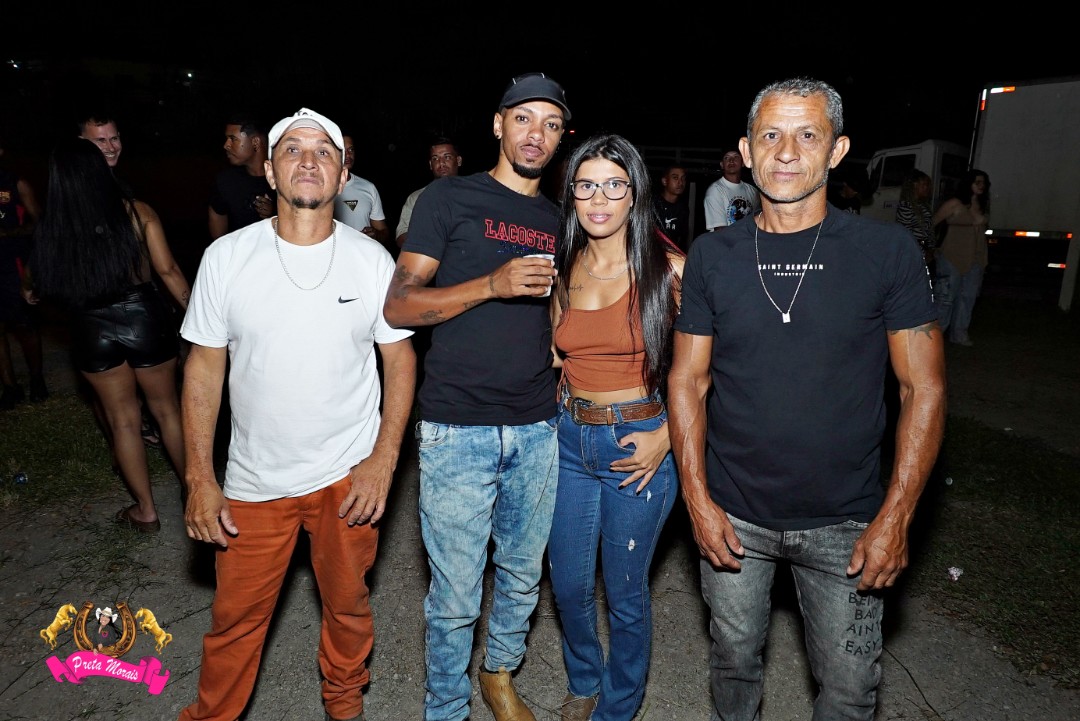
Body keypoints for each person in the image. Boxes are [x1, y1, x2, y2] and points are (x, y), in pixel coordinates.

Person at [667, 77, 946, 721]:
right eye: (770, 135)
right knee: (733, 664)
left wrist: (898, 515)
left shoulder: (886, 252)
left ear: (837, 150)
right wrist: (697, 500)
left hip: (847, 521)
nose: (787, 151)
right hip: (734, 514)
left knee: (849, 689)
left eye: (807, 135)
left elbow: (923, 386)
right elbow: (687, 380)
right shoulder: (713, 255)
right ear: (746, 149)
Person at [178, 107, 415, 721]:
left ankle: (344, 704)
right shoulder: (226, 257)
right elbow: (203, 368)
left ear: (343, 175)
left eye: (323, 152)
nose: (308, 161)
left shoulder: (372, 261)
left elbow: (400, 359)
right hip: (255, 481)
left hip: (347, 478)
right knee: (234, 621)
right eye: (293, 149)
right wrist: (199, 477)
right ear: (268, 169)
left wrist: (384, 459)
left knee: (348, 606)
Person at [383, 72, 569, 721]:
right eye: (524, 119)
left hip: (537, 425)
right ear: (498, 125)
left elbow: (562, 306)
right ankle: (446, 708)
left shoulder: (558, 218)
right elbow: (399, 305)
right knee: (457, 596)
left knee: (523, 575)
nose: (536, 134)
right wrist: (491, 284)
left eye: (550, 124)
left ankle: (499, 673)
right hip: (457, 426)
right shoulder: (449, 197)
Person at [549, 134, 683, 721]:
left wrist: (669, 435)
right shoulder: (564, 264)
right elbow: (558, 354)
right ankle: (585, 678)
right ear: (572, 195)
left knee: (625, 593)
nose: (599, 198)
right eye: (586, 186)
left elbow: (716, 369)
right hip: (569, 440)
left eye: (613, 185)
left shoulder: (671, 270)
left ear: (634, 194)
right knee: (568, 584)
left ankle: (618, 707)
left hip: (639, 442)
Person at [27, 137, 190, 532]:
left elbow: (34, 286)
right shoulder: (136, 212)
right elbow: (167, 271)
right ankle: (195, 491)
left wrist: (32, 290)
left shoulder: (52, 229)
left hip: (90, 327)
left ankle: (146, 511)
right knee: (167, 410)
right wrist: (197, 315)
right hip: (143, 318)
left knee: (122, 421)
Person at [0, 137, 47, 408]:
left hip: (14, 264)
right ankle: (10, 388)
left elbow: (40, 224)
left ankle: (37, 380)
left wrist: (9, 233)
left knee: (24, 325)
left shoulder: (16, 184)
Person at [931, 168, 990, 347]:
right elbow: (932, 223)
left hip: (975, 259)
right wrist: (932, 247)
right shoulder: (954, 204)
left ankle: (959, 334)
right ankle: (935, 338)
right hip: (952, 257)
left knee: (967, 298)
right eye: (977, 182)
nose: (981, 186)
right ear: (968, 183)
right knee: (945, 300)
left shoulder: (981, 205)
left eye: (983, 183)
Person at [208, 112, 275, 241]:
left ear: (255, 142)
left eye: (232, 139)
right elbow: (218, 240)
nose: (226, 145)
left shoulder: (284, 179)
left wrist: (276, 217)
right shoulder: (225, 182)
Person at [395, 136, 462, 248]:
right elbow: (401, 236)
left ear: (458, 161)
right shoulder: (417, 197)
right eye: (435, 158)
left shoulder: (473, 194)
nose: (441, 163)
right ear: (430, 164)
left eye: (447, 157)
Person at [333, 132, 390, 247]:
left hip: (365, 255)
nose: (348, 155)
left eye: (351, 150)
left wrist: (376, 235)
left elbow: (383, 232)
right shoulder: (321, 188)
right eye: (342, 150)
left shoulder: (368, 187)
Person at [702, 148, 760, 231]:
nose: (731, 160)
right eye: (727, 158)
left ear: (743, 163)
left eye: (736, 157)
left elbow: (758, 223)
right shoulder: (715, 190)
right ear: (722, 165)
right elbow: (720, 231)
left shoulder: (753, 192)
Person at [896, 169, 935, 271]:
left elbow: (929, 230)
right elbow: (905, 233)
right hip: (914, 254)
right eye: (924, 185)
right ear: (914, 185)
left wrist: (930, 249)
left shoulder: (923, 205)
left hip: (925, 253)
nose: (927, 188)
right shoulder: (906, 207)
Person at [654, 164, 690, 250]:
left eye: (683, 178)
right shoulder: (652, 204)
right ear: (665, 181)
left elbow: (682, 238)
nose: (680, 182)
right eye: (675, 178)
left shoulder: (683, 208)